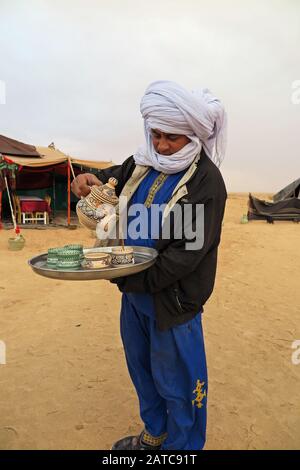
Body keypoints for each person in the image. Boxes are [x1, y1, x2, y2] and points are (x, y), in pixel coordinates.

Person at [71, 80, 227, 451]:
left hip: (172, 304)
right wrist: (87, 177)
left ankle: (183, 449)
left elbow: (185, 256)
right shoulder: (143, 164)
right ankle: (154, 435)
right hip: (133, 296)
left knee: (180, 384)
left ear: (193, 134)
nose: (161, 145)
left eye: (171, 137)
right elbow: (113, 176)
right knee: (143, 373)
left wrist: (122, 273)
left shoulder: (206, 181)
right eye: (155, 134)